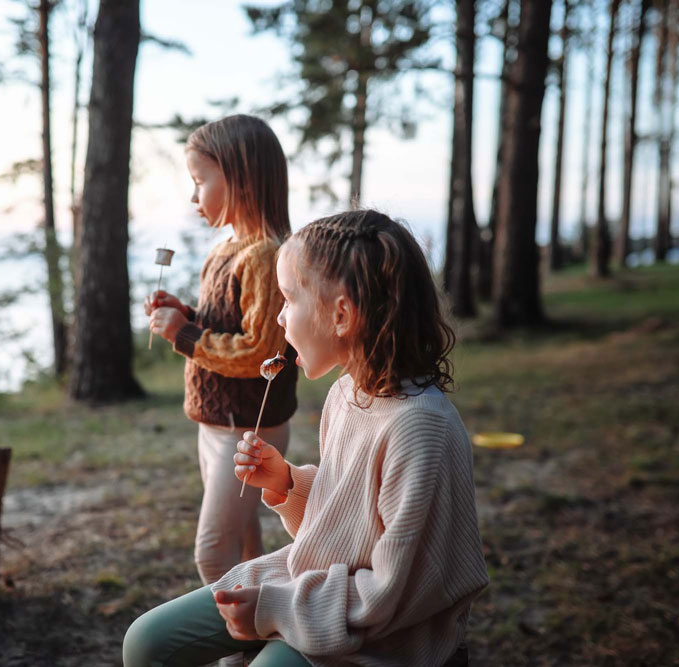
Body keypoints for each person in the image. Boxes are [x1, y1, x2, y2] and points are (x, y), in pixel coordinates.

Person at [126, 210, 488, 666]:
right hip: (314, 587)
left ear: (341, 315)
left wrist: (273, 607)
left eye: (288, 300)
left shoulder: (420, 429)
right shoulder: (346, 394)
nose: (278, 320)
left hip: (381, 636)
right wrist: (288, 483)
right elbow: (345, 527)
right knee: (144, 642)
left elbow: (392, 593)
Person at [145, 115, 298, 588]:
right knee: (243, 540)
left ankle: (232, 657)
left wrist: (185, 336)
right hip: (214, 425)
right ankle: (253, 638)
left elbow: (260, 353)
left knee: (213, 553)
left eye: (199, 182)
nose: (194, 198)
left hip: (248, 428)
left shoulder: (267, 256)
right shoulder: (224, 251)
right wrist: (185, 315)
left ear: (240, 179)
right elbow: (225, 326)